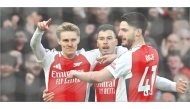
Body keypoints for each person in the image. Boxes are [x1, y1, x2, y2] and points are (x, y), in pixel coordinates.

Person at [43, 24, 187, 102]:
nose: (105, 41)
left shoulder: (126, 58)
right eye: (102, 38)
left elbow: (149, 79)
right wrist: (50, 94)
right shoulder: (91, 62)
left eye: (109, 38)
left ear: (116, 41)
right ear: (97, 42)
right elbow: (70, 82)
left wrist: (173, 85)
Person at [30, 18, 102, 102]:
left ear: (78, 39)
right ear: (59, 41)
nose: (70, 44)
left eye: (73, 40)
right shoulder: (49, 58)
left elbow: (113, 49)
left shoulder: (89, 57)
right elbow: (34, 45)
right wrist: (39, 31)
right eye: (65, 40)